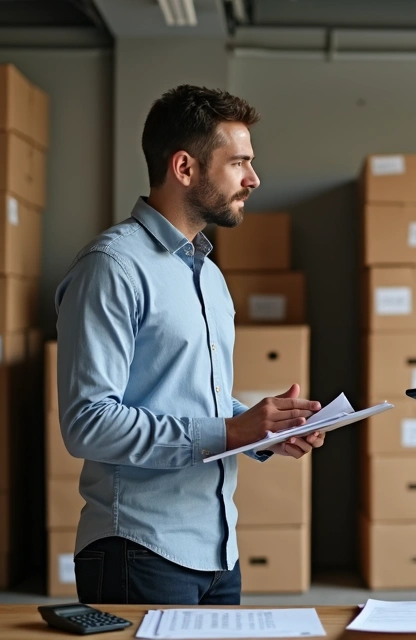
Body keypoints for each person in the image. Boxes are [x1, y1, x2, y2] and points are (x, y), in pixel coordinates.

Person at [55, 85, 324, 605]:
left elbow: (193, 400)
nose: (253, 179)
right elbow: (87, 422)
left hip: (218, 552)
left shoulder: (209, 276)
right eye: (238, 163)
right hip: (139, 549)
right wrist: (230, 431)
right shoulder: (111, 268)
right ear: (184, 167)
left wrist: (263, 429)